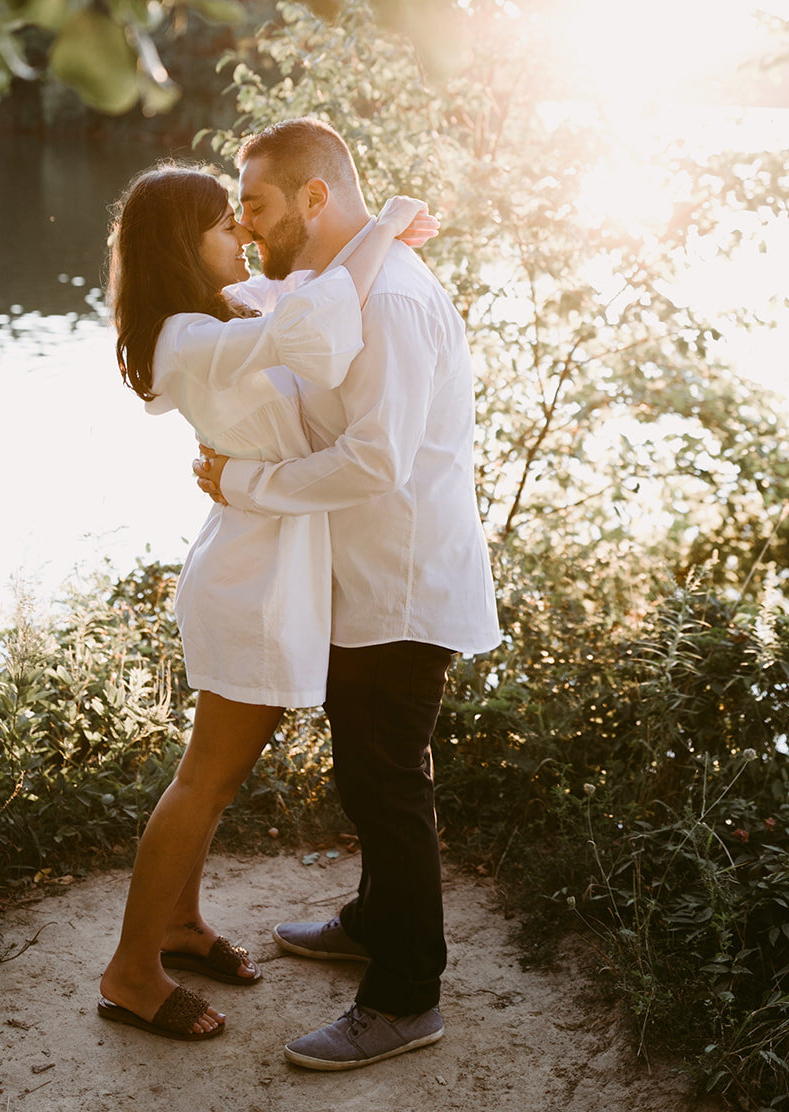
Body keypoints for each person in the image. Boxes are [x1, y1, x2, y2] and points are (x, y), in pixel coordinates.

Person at [98, 163, 437, 1044]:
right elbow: (318, 317)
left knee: (212, 782)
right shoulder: (190, 337)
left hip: (268, 568)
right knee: (204, 780)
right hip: (249, 581)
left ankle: (179, 925)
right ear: (184, 242)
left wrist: (363, 241)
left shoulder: (223, 317)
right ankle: (132, 971)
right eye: (223, 224)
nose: (240, 236)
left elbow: (308, 315)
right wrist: (385, 223)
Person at [194, 118, 501, 1071]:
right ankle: (375, 919)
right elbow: (269, 300)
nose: (246, 227)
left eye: (255, 204)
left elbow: (374, 460)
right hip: (360, 583)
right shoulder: (338, 284)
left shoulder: (395, 303)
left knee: (385, 781)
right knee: (367, 776)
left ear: (313, 198)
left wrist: (242, 485)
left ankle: (407, 995)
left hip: (401, 587)